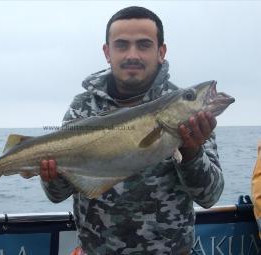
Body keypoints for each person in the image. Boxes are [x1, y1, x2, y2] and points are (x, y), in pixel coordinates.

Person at [24, 6, 224, 254]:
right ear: (107, 52)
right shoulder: (83, 107)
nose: (132, 54)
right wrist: (52, 176)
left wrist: (192, 152)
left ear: (161, 51)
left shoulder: (186, 109)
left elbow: (209, 197)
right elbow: (57, 195)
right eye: (121, 45)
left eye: (143, 45)